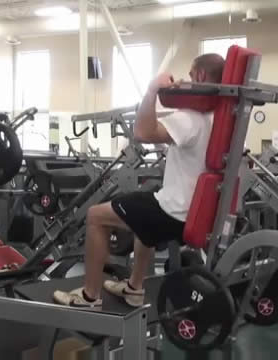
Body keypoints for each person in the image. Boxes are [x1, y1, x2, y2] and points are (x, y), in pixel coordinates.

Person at [53, 53, 225, 308]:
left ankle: (89, 296)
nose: (187, 80)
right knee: (145, 210)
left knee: (95, 216)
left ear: (199, 76)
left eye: (190, 75)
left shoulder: (191, 119)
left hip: (174, 213)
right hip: (198, 213)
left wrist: (152, 89)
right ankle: (134, 288)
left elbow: (142, 132)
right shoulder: (222, 121)